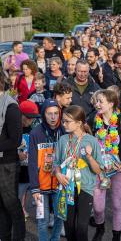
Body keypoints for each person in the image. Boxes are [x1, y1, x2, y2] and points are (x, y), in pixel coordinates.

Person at [90, 90, 121, 241]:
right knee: (98, 207)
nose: (97, 104)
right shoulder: (92, 120)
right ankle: (100, 227)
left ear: (111, 104)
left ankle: (116, 236)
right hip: (99, 169)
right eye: (96, 101)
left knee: (117, 204)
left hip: (118, 169)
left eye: (100, 101)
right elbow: (87, 142)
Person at [54, 105, 103, 241]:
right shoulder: (63, 140)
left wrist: (89, 157)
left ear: (79, 123)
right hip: (67, 188)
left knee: (82, 227)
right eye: (63, 121)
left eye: (67, 121)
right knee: (69, 226)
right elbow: (56, 163)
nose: (64, 124)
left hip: (85, 188)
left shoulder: (91, 141)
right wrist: (58, 174)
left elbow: (98, 169)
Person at [28, 99, 65, 241]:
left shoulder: (64, 130)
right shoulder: (35, 133)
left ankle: (54, 239)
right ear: (44, 114)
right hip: (40, 185)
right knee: (42, 221)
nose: (53, 117)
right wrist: (34, 188)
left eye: (56, 113)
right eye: (49, 114)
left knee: (59, 216)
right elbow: (31, 162)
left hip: (59, 183)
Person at [0, 73, 25, 241]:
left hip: (7, 164)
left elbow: (15, 140)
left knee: (11, 205)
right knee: (1, 205)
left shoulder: (11, 107)